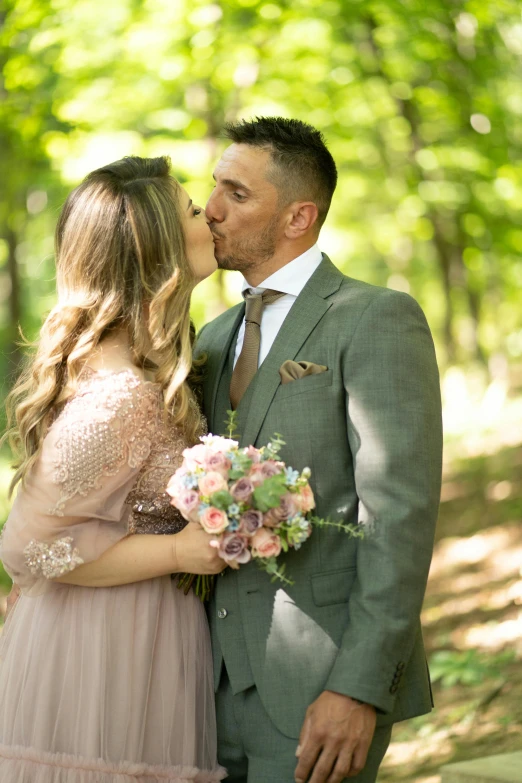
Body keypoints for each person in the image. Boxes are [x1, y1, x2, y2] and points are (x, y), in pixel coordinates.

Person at [197, 117, 443, 783]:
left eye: (237, 194)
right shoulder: (211, 337)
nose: (211, 209)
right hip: (203, 694)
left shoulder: (373, 317)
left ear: (299, 216)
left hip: (319, 685)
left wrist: (360, 686)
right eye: (214, 187)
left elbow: (399, 517)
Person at [0, 156, 227, 782]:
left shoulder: (152, 371)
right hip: (99, 655)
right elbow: (28, 550)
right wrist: (178, 553)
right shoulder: (119, 397)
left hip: (142, 637)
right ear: (157, 251)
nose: (208, 214)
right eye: (190, 210)